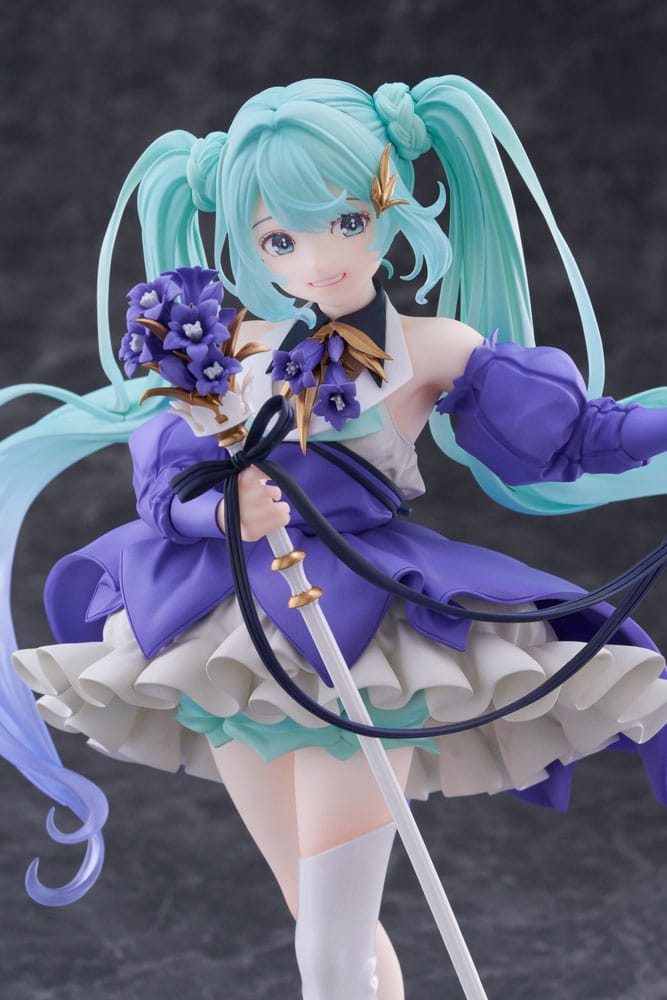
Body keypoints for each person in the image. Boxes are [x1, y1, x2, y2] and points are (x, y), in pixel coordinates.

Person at [3, 77, 667, 998]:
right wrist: (223, 512)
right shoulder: (222, 347)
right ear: (249, 246)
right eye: (281, 239)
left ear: (389, 213)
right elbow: (161, 483)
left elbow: (580, 436)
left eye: (347, 222)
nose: (318, 261)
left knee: (329, 943)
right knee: (316, 926)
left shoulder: (431, 345)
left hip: (357, 630)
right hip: (230, 634)